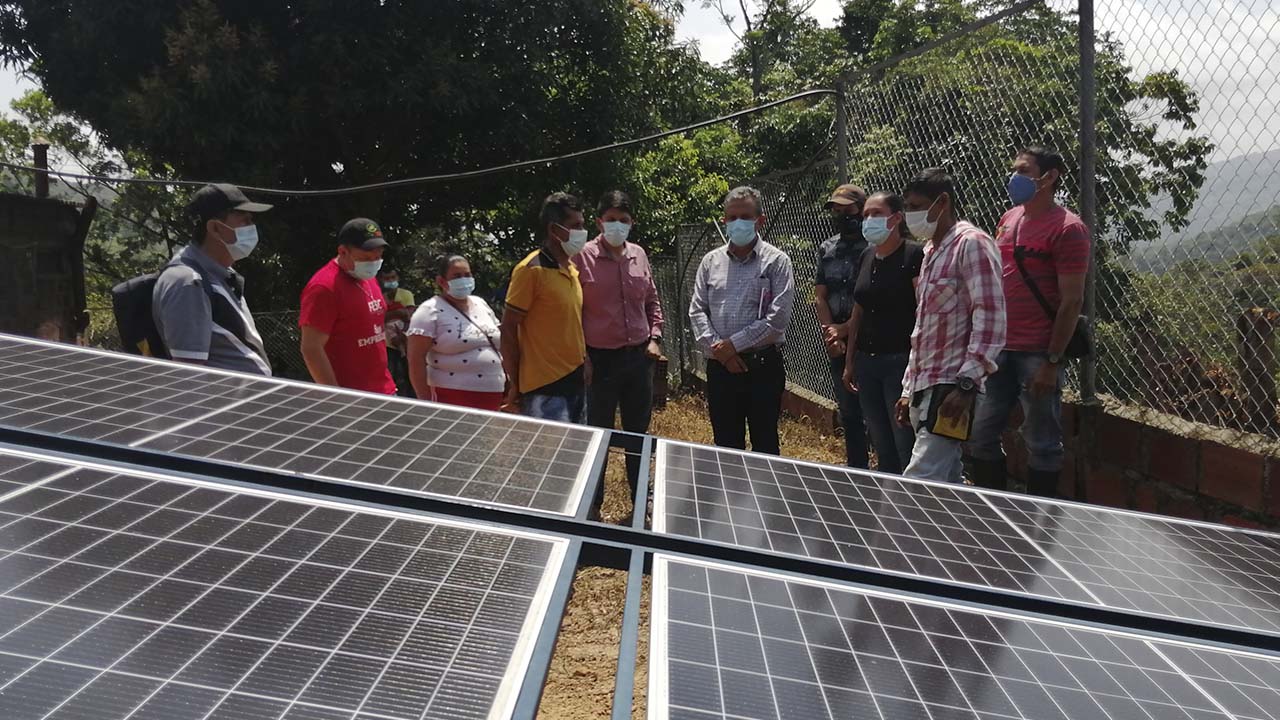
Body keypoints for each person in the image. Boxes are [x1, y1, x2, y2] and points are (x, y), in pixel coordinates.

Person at [967, 147, 1090, 496]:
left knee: (1043, 443)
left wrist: (1052, 362)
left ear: (1049, 177)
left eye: (1023, 171)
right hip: (999, 348)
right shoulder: (1008, 219)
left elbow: (1072, 300)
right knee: (981, 436)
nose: (1014, 178)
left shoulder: (1069, 229)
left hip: (1037, 352)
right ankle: (996, 514)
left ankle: (1040, 521)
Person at [895, 168, 1006, 483]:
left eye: (916, 206)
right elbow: (924, 327)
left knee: (919, 481)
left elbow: (991, 316)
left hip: (950, 389)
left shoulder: (972, 244)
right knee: (947, 485)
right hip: (924, 387)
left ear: (942, 202)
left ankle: (899, 534)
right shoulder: (931, 251)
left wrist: (967, 384)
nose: (910, 215)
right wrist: (908, 389)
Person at [689, 186, 795, 455]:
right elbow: (697, 311)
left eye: (745, 217)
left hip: (762, 368)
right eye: (731, 217)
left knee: (765, 443)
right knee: (725, 446)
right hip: (721, 369)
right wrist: (721, 351)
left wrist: (732, 346)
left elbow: (777, 319)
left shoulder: (777, 261)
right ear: (724, 220)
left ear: (760, 220)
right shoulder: (710, 262)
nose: (737, 223)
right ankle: (730, 499)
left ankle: (765, 498)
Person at [576, 191, 664, 481]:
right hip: (599, 362)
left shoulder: (638, 255)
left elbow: (652, 301)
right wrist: (584, 358)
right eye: (611, 220)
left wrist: (654, 337)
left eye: (623, 220)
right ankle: (592, 502)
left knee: (638, 434)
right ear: (599, 222)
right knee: (597, 434)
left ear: (631, 222)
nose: (617, 225)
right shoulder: (582, 257)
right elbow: (572, 312)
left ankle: (641, 500)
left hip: (639, 358)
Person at [841, 191, 924, 475]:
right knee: (881, 443)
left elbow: (924, 312)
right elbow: (858, 312)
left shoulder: (913, 255)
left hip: (899, 363)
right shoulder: (866, 256)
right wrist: (850, 362)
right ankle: (889, 506)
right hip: (867, 362)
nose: (868, 220)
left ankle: (911, 505)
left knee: (904, 443)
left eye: (876, 214)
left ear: (897, 218)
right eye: (865, 215)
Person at [152, 183, 273, 375]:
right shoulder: (188, 282)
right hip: (224, 404)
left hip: (246, 402)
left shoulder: (218, 275)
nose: (252, 227)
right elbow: (188, 374)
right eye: (245, 220)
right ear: (215, 228)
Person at [500, 192, 588, 423]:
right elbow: (508, 328)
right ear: (554, 229)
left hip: (575, 383)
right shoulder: (531, 271)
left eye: (583, 224)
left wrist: (584, 360)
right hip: (545, 388)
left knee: (578, 455)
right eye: (575, 225)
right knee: (550, 457)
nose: (582, 232)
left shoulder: (570, 270)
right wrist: (515, 382)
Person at [298, 218, 397, 394]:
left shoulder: (367, 278)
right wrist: (336, 397)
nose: (374, 263)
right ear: (343, 251)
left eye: (378, 257)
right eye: (366, 258)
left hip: (384, 390)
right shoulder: (324, 287)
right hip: (350, 398)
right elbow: (311, 348)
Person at [406, 254, 505, 411]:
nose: (464, 279)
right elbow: (415, 359)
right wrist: (425, 401)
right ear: (441, 281)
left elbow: (501, 342)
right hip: (450, 395)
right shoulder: (429, 311)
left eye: (467, 275)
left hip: (493, 394)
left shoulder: (481, 303)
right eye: (457, 276)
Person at [815, 183, 870, 468]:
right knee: (848, 413)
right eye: (836, 212)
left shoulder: (875, 246)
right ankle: (857, 469)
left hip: (871, 340)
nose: (841, 216)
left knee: (876, 414)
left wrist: (846, 329)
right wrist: (831, 334)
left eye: (847, 211)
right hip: (836, 342)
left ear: (862, 210)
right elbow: (820, 296)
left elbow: (873, 300)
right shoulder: (827, 248)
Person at [378, 267, 416, 397]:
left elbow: (409, 316)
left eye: (393, 278)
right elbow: (378, 319)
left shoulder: (406, 294)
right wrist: (398, 313)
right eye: (387, 278)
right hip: (387, 343)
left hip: (405, 339)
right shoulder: (379, 296)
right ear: (382, 280)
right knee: (392, 372)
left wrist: (390, 314)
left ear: (397, 279)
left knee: (408, 373)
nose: (390, 281)